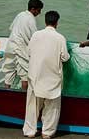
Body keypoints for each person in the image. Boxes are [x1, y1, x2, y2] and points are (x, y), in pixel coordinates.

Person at [23, 11, 70, 139]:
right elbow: (65, 58)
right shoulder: (60, 38)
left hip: (35, 77)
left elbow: (29, 52)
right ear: (57, 23)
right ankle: (47, 132)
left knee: (32, 106)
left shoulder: (36, 35)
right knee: (52, 107)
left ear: (45, 22)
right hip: (52, 79)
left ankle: (30, 131)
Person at [3, 0, 43, 90]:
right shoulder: (31, 20)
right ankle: (24, 97)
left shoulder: (20, 14)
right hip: (20, 49)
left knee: (9, 72)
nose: (39, 13)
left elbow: (12, 28)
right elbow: (34, 37)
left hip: (10, 46)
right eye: (38, 10)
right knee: (25, 75)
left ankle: (6, 93)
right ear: (33, 9)